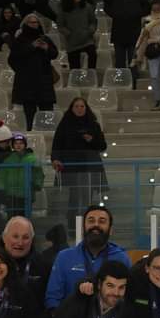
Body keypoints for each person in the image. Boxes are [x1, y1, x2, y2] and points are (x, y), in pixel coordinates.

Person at [44, 205, 131, 310]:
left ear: (111, 230)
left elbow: (128, 297)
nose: (96, 225)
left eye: (102, 221)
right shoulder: (64, 257)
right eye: (91, 221)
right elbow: (52, 298)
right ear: (83, 228)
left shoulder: (121, 258)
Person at [51, 98, 108, 230]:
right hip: (71, 168)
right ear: (72, 108)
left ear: (86, 108)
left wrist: (91, 140)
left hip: (90, 167)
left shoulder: (93, 125)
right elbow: (57, 144)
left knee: (87, 199)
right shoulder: (64, 125)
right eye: (76, 106)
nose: (79, 109)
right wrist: (55, 159)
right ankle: (73, 228)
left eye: (82, 106)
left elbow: (102, 146)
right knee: (74, 198)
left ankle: (87, 228)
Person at [9, 13, 58, 132]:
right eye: (32, 22)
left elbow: (54, 54)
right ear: (26, 24)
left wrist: (46, 48)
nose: (35, 25)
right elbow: (13, 59)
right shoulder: (20, 40)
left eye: (36, 22)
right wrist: (32, 46)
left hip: (44, 81)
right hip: (27, 83)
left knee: (46, 114)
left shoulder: (45, 38)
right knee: (29, 116)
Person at [106, 0, 151, 87]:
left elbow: (147, 5)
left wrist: (137, 13)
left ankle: (134, 83)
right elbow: (107, 6)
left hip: (134, 29)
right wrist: (115, 13)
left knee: (133, 60)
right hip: (118, 29)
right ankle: (121, 83)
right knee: (119, 61)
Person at [0, 133, 42, 217]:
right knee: (11, 218)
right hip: (11, 195)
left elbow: (38, 173)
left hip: (26, 194)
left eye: (21, 143)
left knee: (24, 218)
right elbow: (1, 175)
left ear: (25, 145)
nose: (18, 145)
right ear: (13, 145)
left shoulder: (32, 159)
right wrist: (0, 188)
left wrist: (37, 184)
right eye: (16, 143)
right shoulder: (8, 160)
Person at [58, 0, 98, 71]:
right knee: (74, 69)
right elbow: (60, 26)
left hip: (87, 40)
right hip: (72, 42)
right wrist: (68, 33)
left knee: (93, 54)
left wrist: (90, 31)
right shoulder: (63, 10)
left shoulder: (87, 7)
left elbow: (93, 22)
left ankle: (91, 75)